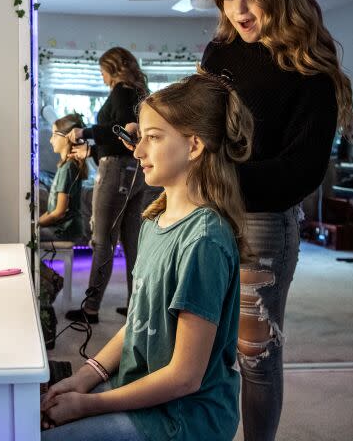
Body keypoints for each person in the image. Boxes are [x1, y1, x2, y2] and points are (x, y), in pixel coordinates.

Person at [198, 0, 353, 441]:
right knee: (203, 344)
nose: (237, 8)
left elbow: (301, 173)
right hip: (206, 213)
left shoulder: (311, 68)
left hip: (262, 226)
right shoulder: (220, 50)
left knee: (255, 356)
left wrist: (220, 178)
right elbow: (199, 120)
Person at [41, 72, 254, 440]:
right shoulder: (154, 221)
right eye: (140, 138)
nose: (138, 151)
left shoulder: (203, 241)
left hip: (181, 418)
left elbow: (185, 377)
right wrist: (83, 378)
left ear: (194, 146)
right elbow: (138, 322)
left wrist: (88, 404)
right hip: (143, 394)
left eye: (152, 138)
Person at [66, 47, 151, 322]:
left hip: (117, 171)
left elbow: (122, 132)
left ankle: (90, 309)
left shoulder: (121, 92)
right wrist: (92, 151)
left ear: (112, 69)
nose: (102, 77)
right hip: (135, 171)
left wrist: (85, 132)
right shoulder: (137, 94)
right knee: (131, 243)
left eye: (103, 71)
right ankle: (137, 307)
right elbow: (125, 138)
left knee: (102, 241)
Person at [39, 113, 87, 244]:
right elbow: (53, 211)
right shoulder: (66, 166)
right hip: (65, 228)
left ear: (66, 138)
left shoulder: (68, 167)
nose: (50, 140)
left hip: (66, 230)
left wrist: (36, 224)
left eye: (54, 135)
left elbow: (59, 211)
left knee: (28, 237)